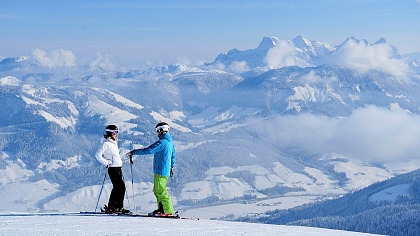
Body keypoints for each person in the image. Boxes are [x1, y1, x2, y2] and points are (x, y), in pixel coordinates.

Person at [127, 122, 176, 216]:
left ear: (161, 130)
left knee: (160, 190)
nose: (157, 133)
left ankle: (167, 211)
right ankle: (162, 208)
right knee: (157, 190)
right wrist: (171, 167)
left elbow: (149, 150)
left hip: (160, 170)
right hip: (163, 169)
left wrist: (134, 152)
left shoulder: (162, 142)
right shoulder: (170, 142)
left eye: (157, 131)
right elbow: (173, 155)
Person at [95, 124, 129, 214]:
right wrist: (106, 162)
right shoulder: (106, 143)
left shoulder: (113, 143)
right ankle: (115, 207)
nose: (116, 134)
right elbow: (97, 155)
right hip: (113, 168)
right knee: (120, 187)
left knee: (119, 187)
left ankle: (115, 207)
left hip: (117, 167)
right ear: (110, 133)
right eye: (115, 132)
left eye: (117, 132)